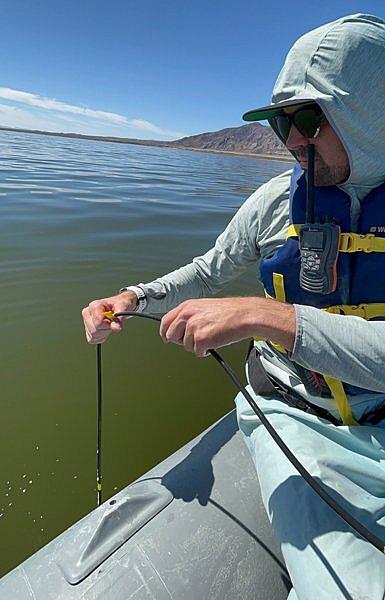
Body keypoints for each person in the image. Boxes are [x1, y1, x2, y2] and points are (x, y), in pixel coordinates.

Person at [82, 14, 385, 598]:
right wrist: (133, 296)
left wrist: (273, 316)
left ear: (370, 111)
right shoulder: (272, 203)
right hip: (300, 422)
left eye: (310, 118)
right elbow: (207, 271)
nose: (293, 139)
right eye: (281, 122)